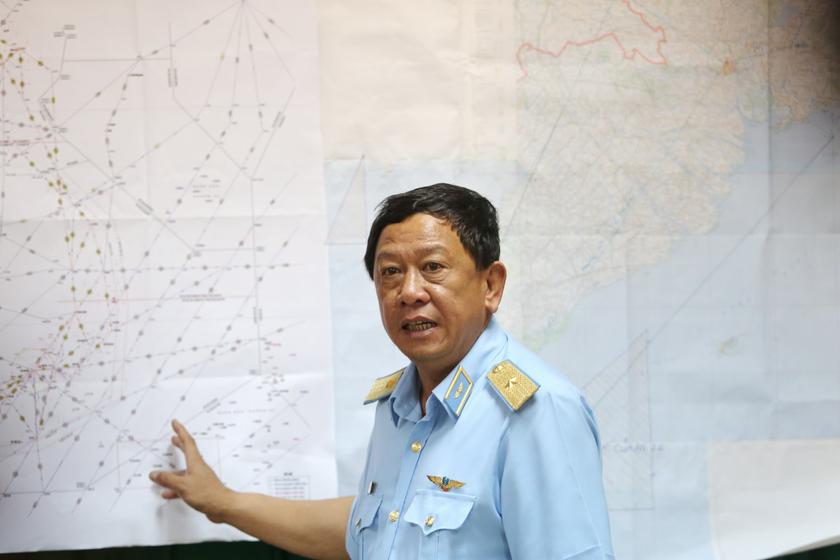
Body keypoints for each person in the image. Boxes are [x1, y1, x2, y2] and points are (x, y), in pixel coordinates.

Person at [150, 183, 614, 559]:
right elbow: (369, 530)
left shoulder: (536, 411)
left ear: (490, 285)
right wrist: (223, 503)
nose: (410, 291)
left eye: (433, 268)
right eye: (390, 272)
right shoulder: (399, 406)